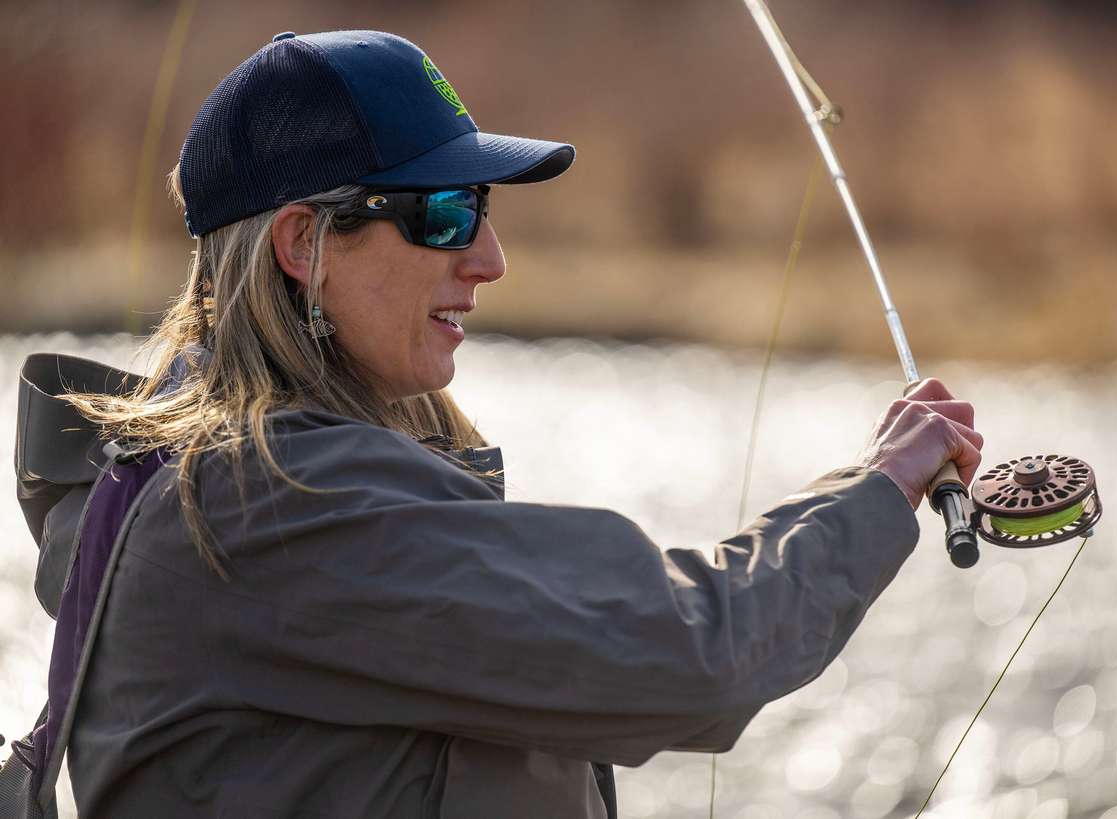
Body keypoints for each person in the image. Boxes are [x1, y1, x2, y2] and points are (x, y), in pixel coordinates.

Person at [11, 29, 982, 819]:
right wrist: (882, 488)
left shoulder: (188, 473)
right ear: (303, 242)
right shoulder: (273, 500)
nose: (489, 258)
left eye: (480, 205)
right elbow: (693, 653)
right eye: (442, 212)